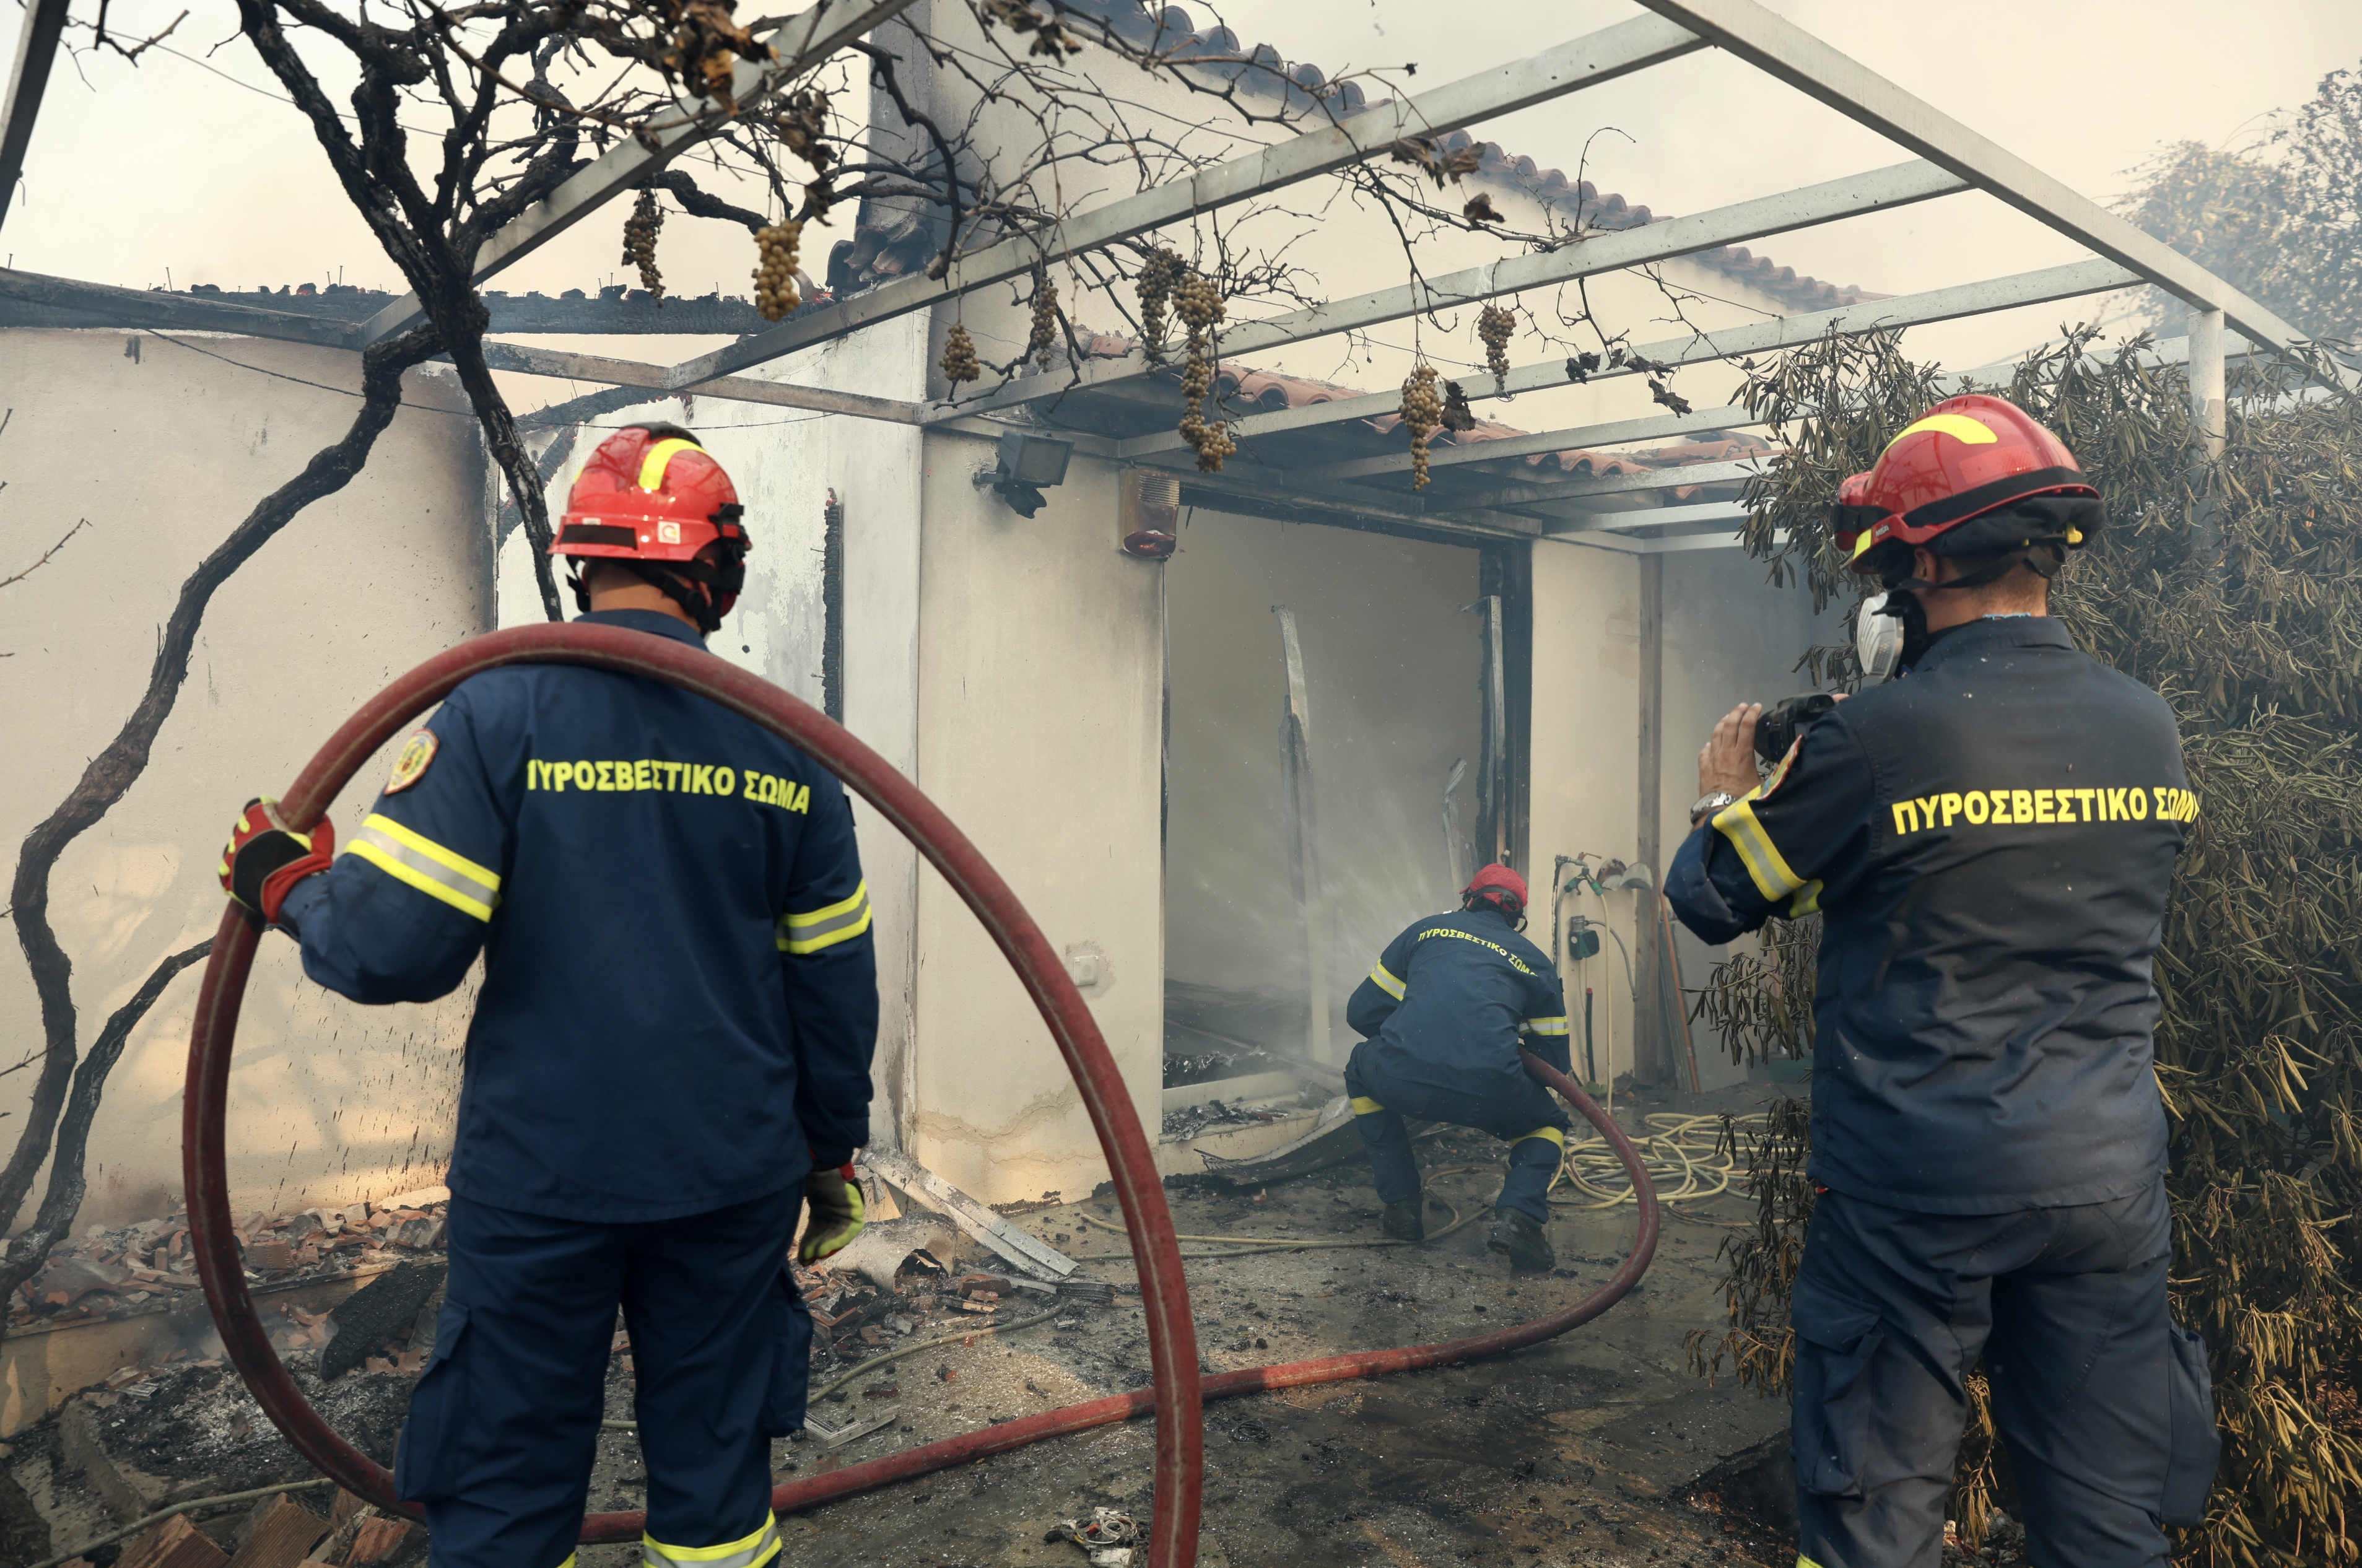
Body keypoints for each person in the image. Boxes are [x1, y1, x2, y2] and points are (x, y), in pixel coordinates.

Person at [217, 423, 878, 1568]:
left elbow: (391, 952)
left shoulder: (495, 714)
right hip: (729, 1174)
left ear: (582, 559)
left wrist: (287, 884)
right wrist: (830, 1154)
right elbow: (831, 986)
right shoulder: (786, 749)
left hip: (544, 1181)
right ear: (716, 571)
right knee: (719, 1491)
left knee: (508, 1480)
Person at [1666, 394, 2217, 1568]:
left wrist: (1728, 794)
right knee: (2105, 1519)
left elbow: (1714, 896)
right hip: (2103, 1185)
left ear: (1911, 568)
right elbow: (1982, 879)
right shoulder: (2145, 725)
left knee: (1873, 1518)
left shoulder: (1875, 743)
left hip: (1915, 1193)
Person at [1343, 865, 1573, 1273]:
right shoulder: (1535, 962)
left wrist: (1415, 1041)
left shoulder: (1424, 932)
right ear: (1516, 917)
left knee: (1360, 1070)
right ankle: (1519, 1217)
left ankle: (1402, 1208)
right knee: (1549, 1124)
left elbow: (1361, 1013)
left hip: (1401, 1078)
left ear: (1468, 899)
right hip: (1491, 1091)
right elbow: (1554, 1065)